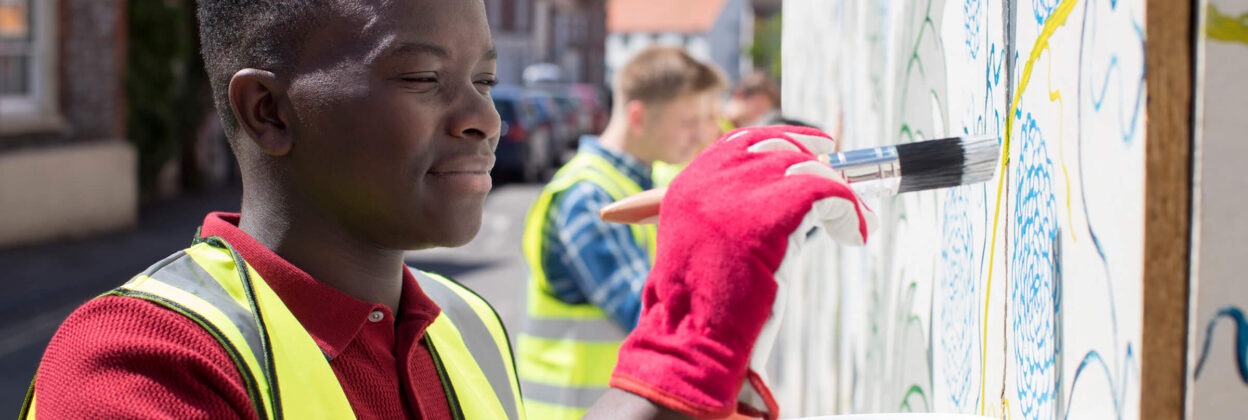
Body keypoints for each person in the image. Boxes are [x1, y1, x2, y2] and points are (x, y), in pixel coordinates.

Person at [20, 1, 874, 419]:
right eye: (425, 79)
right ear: (268, 112)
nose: (486, 119)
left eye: (487, 81)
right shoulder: (133, 364)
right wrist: (685, 343)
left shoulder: (464, 324)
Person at [517, 46, 725, 419]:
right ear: (638, 117)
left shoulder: (650, 181)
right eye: (688, 121)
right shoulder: (589, 198)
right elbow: (653, 319)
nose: (701, 134)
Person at [723, 71, 813, 129]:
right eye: (757, 109)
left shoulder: (737, 128)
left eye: (763, 112)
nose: (758, 116)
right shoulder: (717, 127)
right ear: (740, 94)